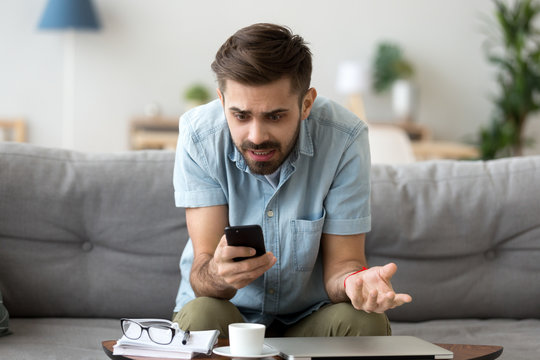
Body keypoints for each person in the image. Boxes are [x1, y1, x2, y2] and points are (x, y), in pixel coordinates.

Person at [172, 23, 412, 338]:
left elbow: (344, 264)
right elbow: (201, 272)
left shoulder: (344, 139)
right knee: (202, 313)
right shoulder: (199, 136)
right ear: (221, 101)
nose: (256, 137)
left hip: (310, 318)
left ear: (306, 104)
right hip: (228, 314)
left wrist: (354, 282)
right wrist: (218, 274)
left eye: (275, 116)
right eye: (241, 116)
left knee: (364, 322)